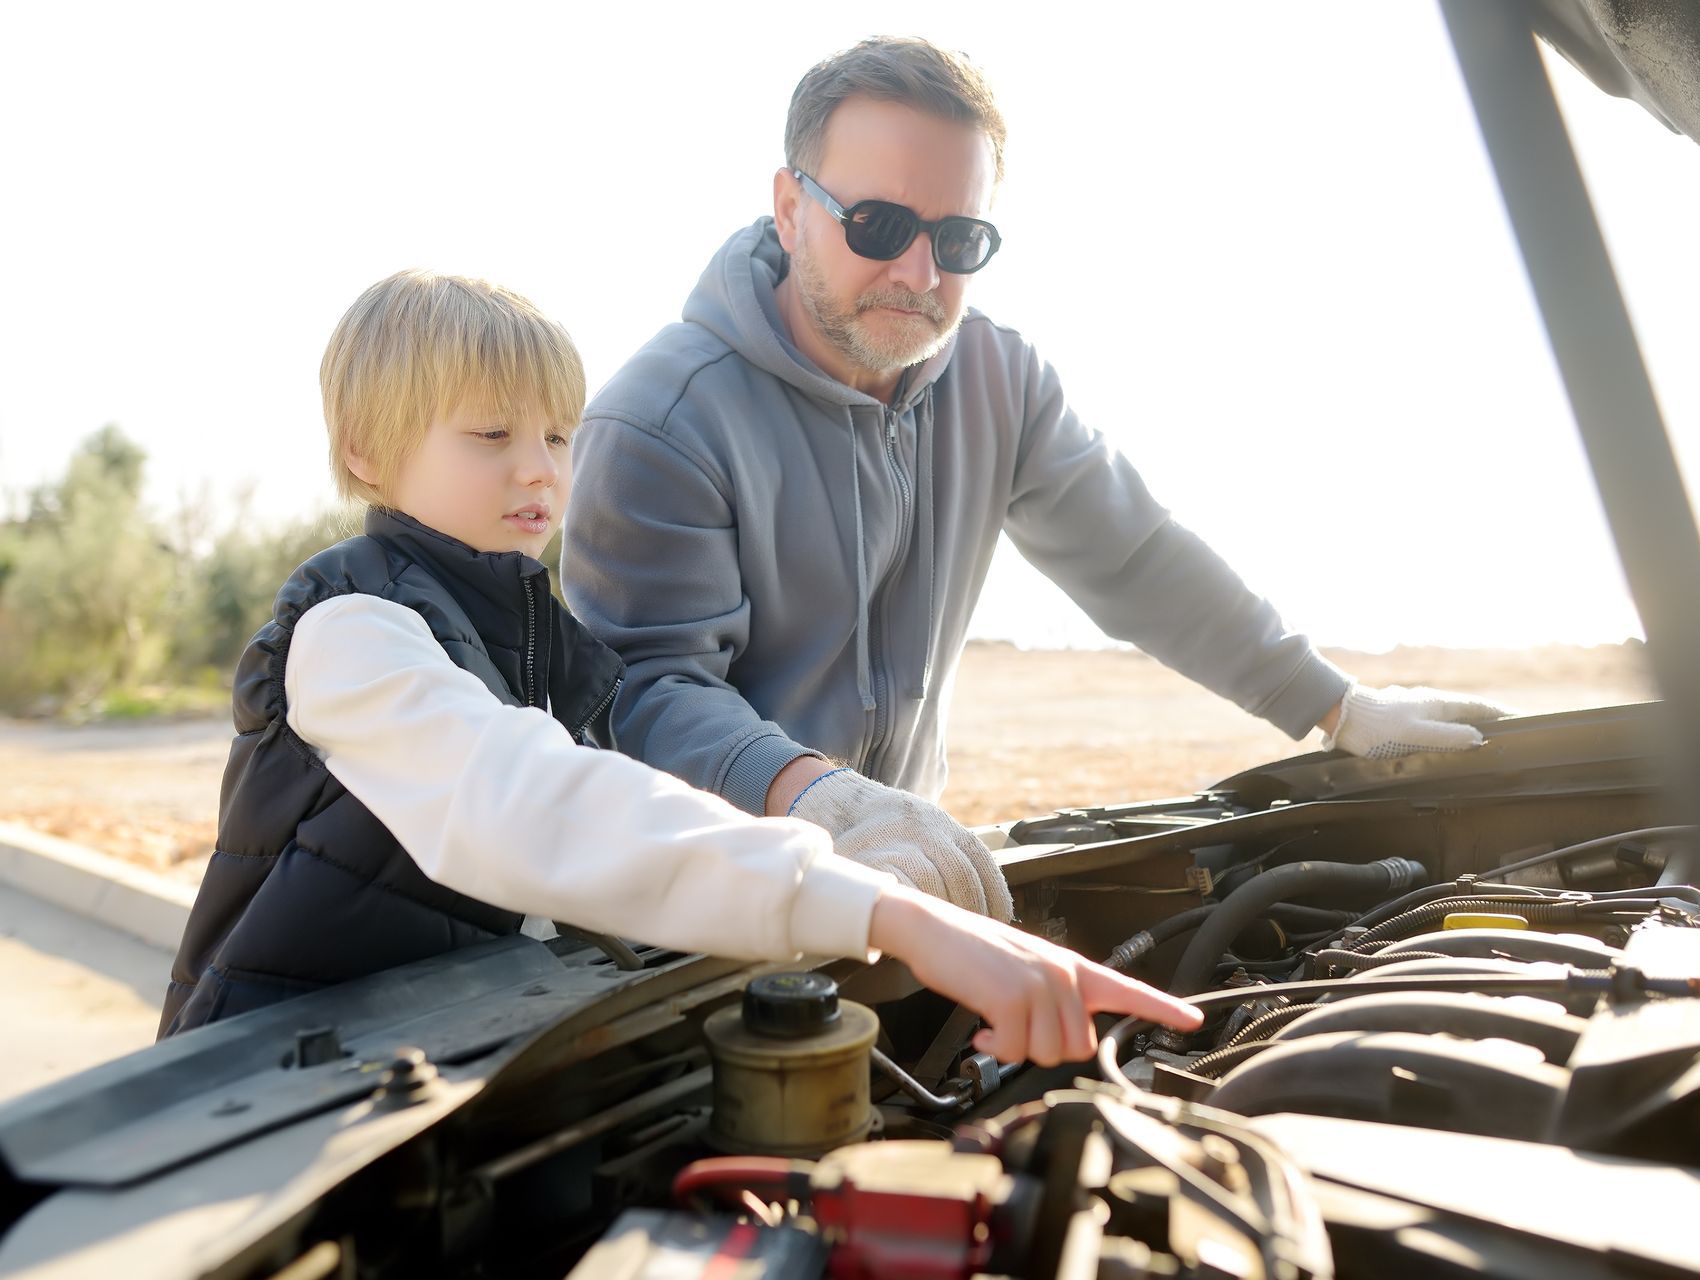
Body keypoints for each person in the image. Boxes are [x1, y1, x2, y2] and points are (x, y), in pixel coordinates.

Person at [562, 37, 1507, 920]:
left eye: (959, 239)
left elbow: (1134, 557)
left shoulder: (997, 379)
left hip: (903, 869)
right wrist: (824, 800)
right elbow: (647, 690)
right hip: (709, 905)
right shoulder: (659, 421)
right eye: (879, 223)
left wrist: (1333, 703)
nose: (917, 272)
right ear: (789, 206)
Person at [158, 269, 1200, 1066]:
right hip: (260, 1087)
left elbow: (639, 785)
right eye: (489, 433)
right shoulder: (354, 629)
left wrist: (826, 815)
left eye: (560, 436)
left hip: (418, 1057)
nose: (539, 466)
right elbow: (536, 805)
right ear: (366, 455)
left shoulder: (543, 639)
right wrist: (883, 910)